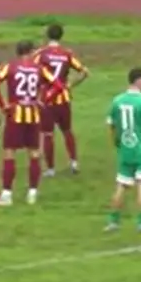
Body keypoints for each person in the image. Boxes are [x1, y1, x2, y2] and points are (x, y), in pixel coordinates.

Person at [0, 40, 60, 206]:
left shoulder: (10, 66)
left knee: (9, 153)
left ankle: (7, 194)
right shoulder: (39, 69)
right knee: (34, 153)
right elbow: (58, 86)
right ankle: (32, 193)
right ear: (30, 51)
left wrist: (2, 105)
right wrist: (43, 100)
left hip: (15, 113)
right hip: (33, 113)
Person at [106, 67, 141, 233]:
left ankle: (113, 221)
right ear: (139, 80)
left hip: (125, 149)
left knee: (122, 185)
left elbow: (111, 124)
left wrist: (116, 142)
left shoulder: (117, 101)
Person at [33, 23, 90, 177]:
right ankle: (73, 162)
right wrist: (70, 85)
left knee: (48, 134)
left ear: (47, 35)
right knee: (67, 131)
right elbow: (85, 71)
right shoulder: (67, 54)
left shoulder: (41, 54)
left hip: (47, 99)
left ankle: (51, 169)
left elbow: (32, 71)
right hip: (63, 97)